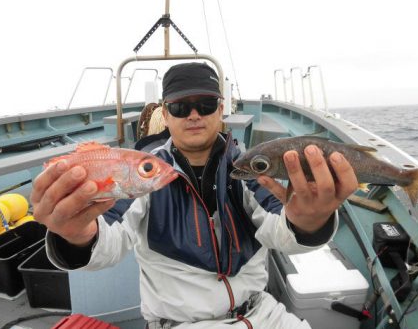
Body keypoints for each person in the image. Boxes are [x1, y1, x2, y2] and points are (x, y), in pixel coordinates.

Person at [31, 62, 358, 328]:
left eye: (204, 104)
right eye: (180, 106)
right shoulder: (143, 172)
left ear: (220, 108)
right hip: (179, 323)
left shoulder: (250, 165)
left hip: (265, 315)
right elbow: (108, 238)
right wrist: (77, 237)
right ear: (165, 112)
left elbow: (280, 229)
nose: (193, 114)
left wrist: (308, 221)